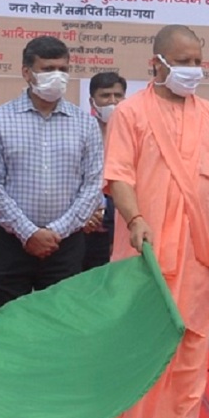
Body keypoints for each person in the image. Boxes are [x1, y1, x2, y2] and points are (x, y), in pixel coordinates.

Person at [99, 25, 209, 418]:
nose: (192, 70)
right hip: (143, 249)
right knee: (138, 338)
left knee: (190, 340)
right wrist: (136, 219)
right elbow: (119, 177)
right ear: (157, 64)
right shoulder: (130, 113)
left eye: (196, 61)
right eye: (182, 62)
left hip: (197, 251)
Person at [0, 36, 104, 418]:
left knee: (60, 340)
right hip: (10, 245)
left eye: (63, 68)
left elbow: (92, 186)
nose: (57, 77)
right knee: (10, 340)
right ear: (27, 71)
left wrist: (57, 231)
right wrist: (29, 232)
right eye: (48, 68)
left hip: (66, 248)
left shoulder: (84, 124)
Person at [81, 72, 128, 271]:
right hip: (86, 223)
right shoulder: (80, 132)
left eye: (118, 96)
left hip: (124, 220)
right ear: (93, 101)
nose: (112, 101)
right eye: (105, 96)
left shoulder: (135, 133)